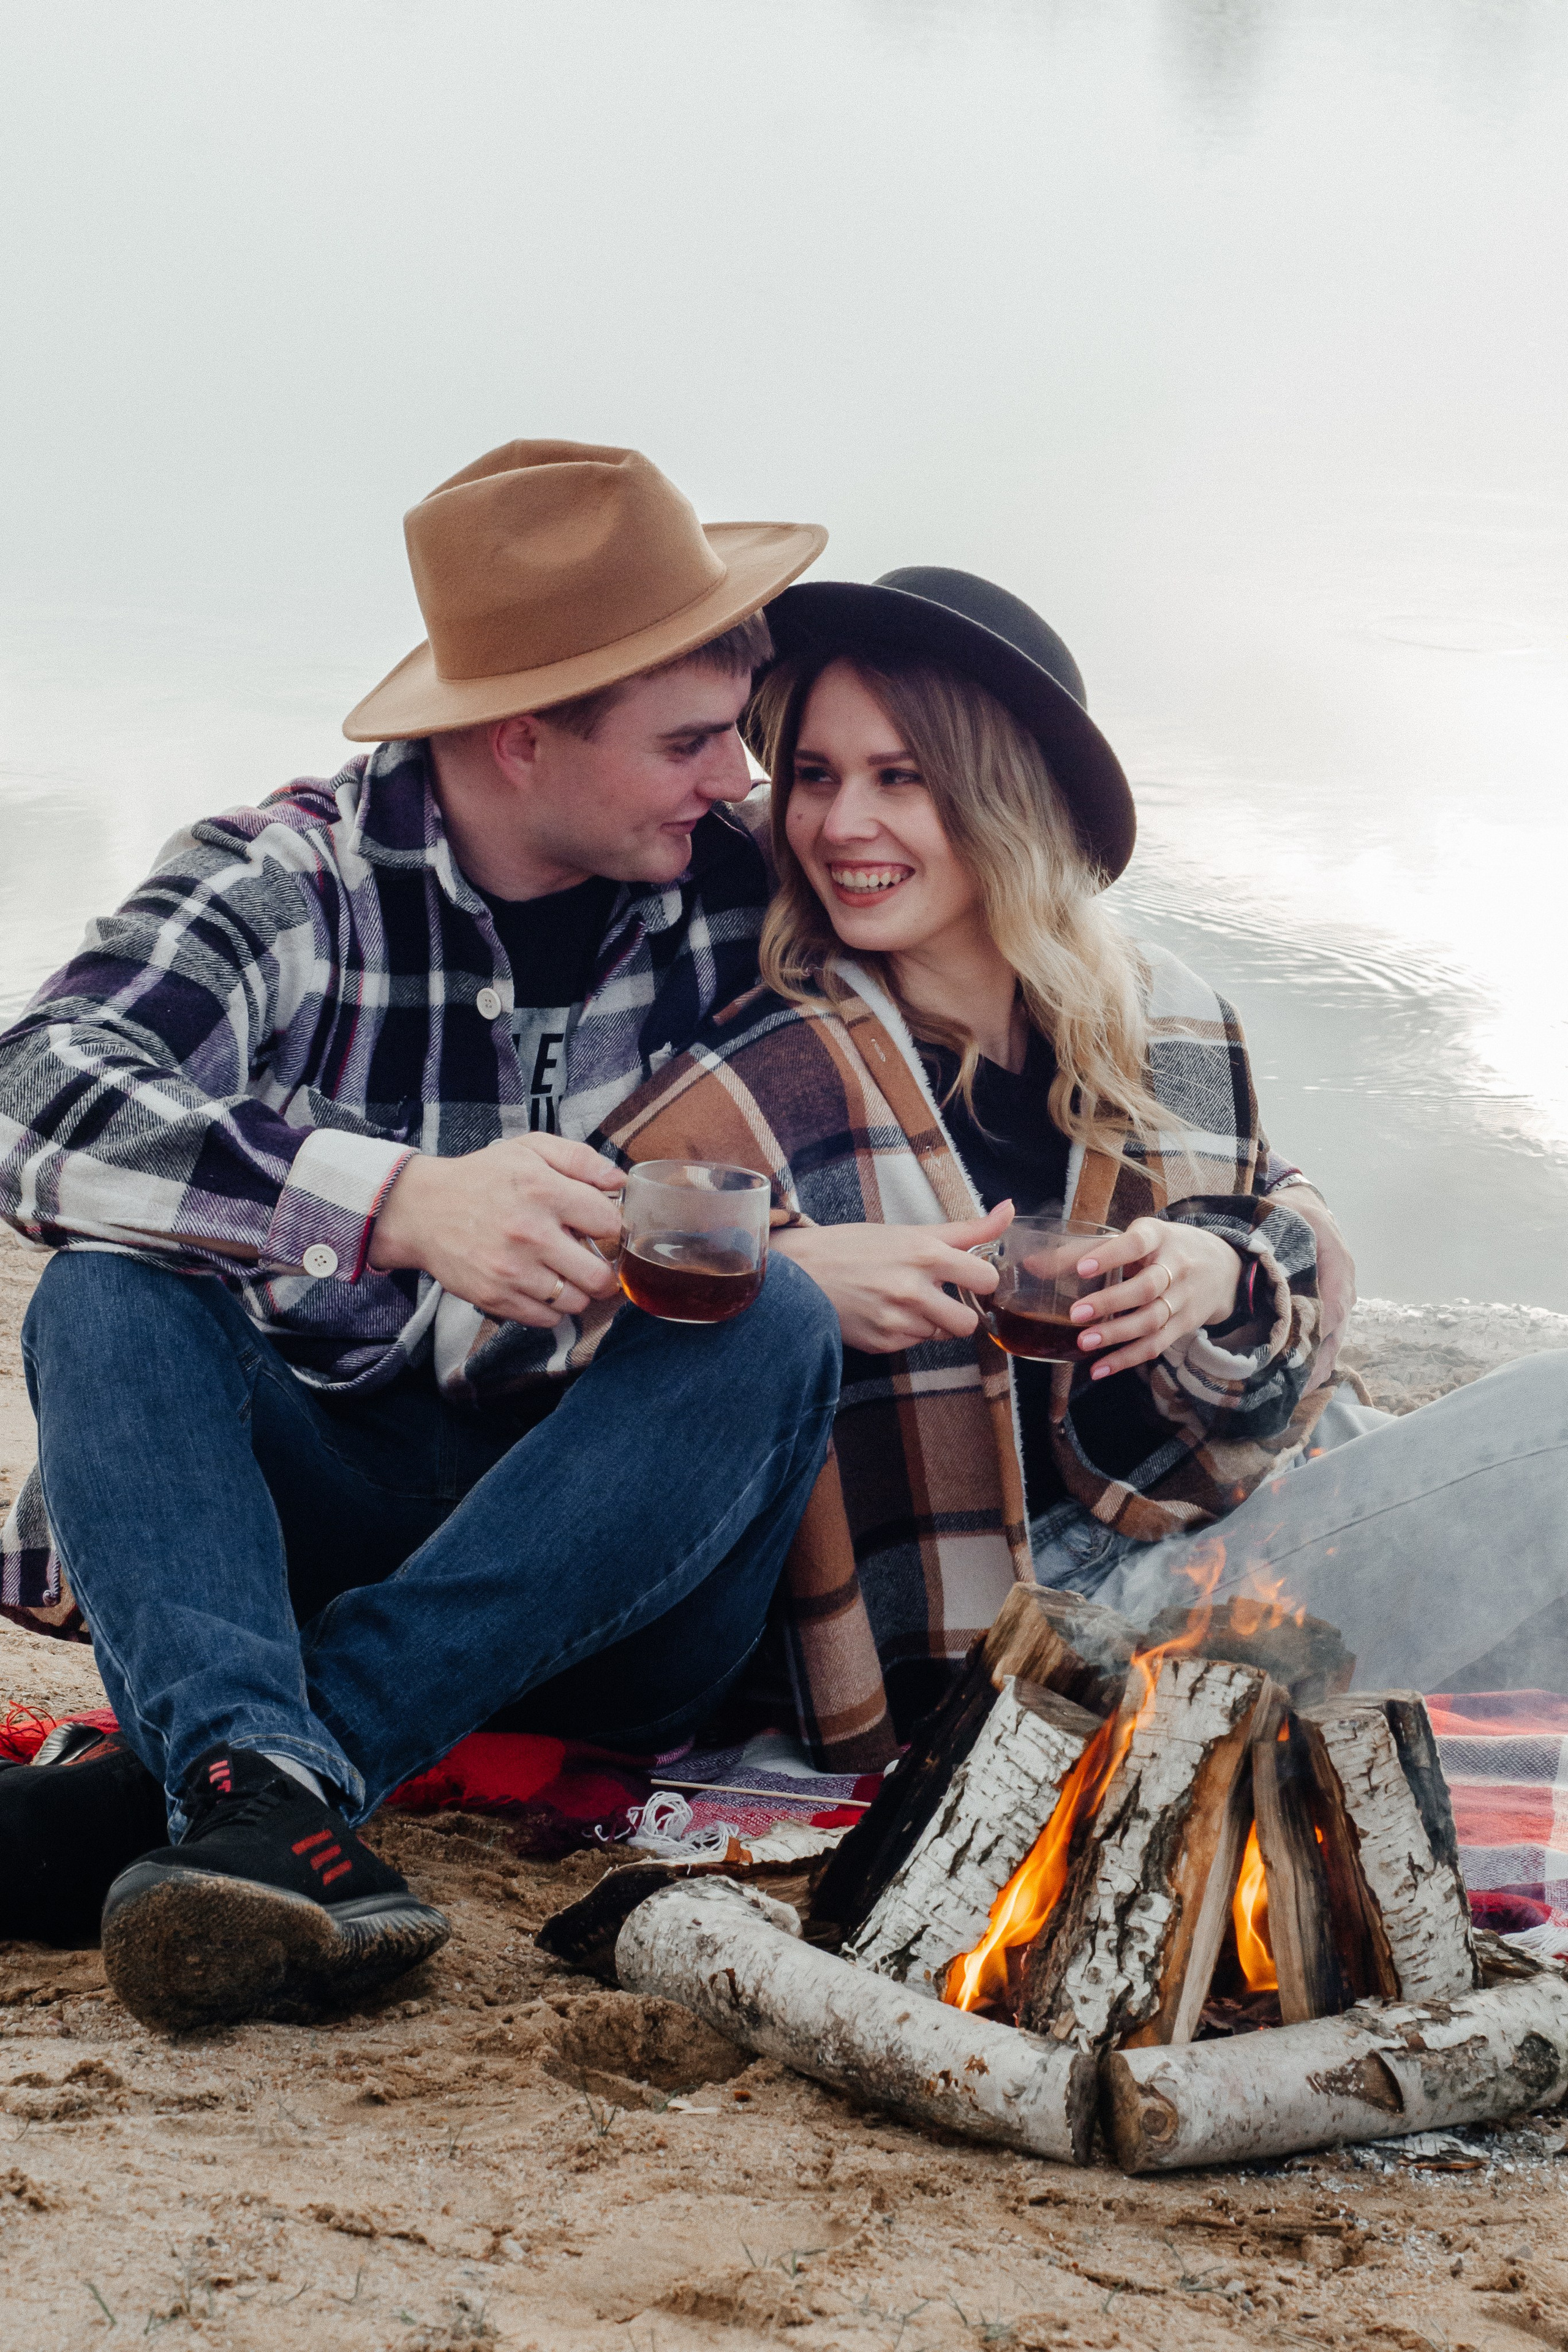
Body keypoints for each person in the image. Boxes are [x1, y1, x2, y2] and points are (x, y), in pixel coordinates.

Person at [0, 440, 841, 2029]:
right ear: (523, 741)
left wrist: (1256, 1233)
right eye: (690, 742)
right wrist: (393, 1203)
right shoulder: (288, 880)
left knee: (778, 1318)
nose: (736, 777)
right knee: (106, 1291)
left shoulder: (736, 891)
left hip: (610, 1565)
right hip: (295, 1540)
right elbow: (32, 1094)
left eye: (736, 732)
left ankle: (241, 1788)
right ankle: (271, 1791)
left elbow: (1005, 957)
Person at [587, 568, 1568, 1769]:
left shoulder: (1157, 1019)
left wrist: (1220, 1270)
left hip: (1219, 1504)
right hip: (1037, 1631)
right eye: (816, 776)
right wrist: (786, 1273)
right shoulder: (768, 1075)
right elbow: (554, 1318)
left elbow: (1284, 1220)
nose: (840, 825)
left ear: (1007, 800)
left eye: (900, 777)